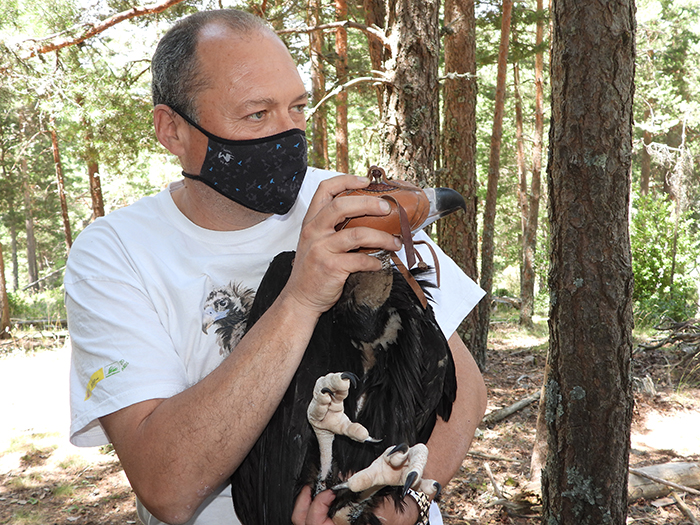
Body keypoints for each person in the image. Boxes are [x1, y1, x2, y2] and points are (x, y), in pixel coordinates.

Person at [65, 8, 487, 525]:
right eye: (257, 114)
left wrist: (399, 509)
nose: (288, 136)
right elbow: (167, 485)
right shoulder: (115, 252)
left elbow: (462, 389)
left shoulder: (348, 204)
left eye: (297, 108)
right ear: (172, 130)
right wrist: (301, 297)